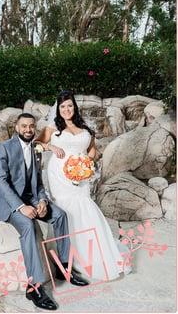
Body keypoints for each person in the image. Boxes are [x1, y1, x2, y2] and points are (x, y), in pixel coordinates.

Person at [0, 113, 88, 311]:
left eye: (31, 126)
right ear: (16, 128)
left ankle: (63, 267)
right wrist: (21, 206)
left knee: (60, 215)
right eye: (23, 126)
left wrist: (42, 200)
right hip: (9, 201)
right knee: (28, 226)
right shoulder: (4, 148)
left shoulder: (37, 148)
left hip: (31, 197)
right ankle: (34, 287)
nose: (28, 130)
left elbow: (38, 183)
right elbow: (1, 182)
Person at [35, 90, 131, 282]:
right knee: (66, 210)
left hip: (81, 174)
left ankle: (91, 256)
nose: (66, 109)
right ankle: (65, 257)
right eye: (62, 106)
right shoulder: (52, 128)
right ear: (58, 109)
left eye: (69, 105)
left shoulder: (85, 127)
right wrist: (50, 147)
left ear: (74, 107)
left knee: (85, 206)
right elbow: (36, 143)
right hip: (59, 175)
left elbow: (92, 150)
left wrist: (88, 162)